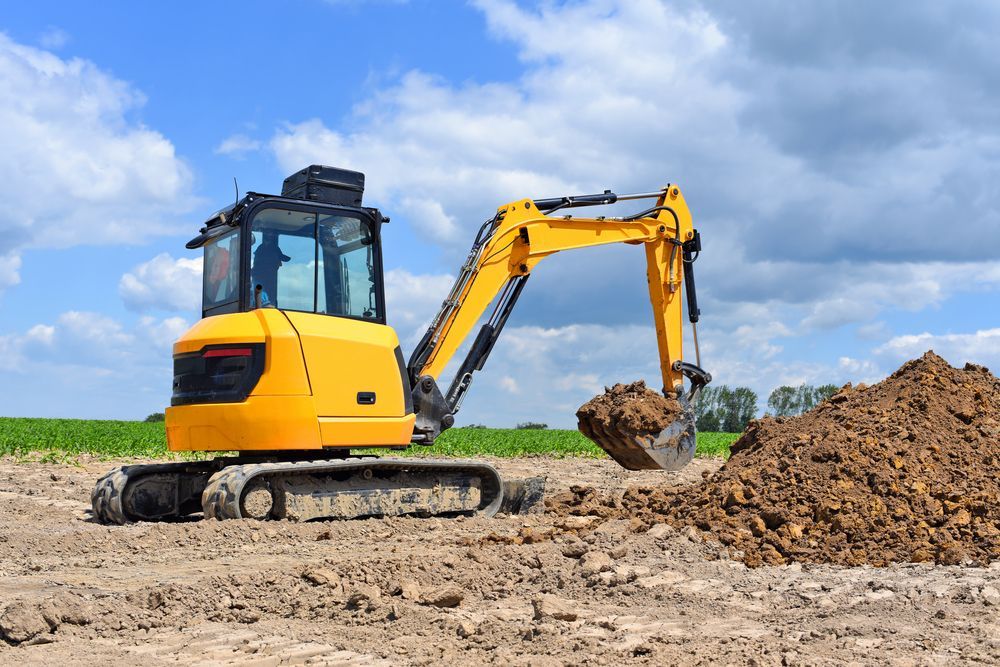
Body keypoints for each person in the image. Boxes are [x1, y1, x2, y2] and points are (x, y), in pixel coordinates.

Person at [251, 229, 291, 307]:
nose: (280, 264)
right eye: (278, 260)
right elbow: (267, 307)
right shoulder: (257, 285)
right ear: (268, 262)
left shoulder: (266, 284)